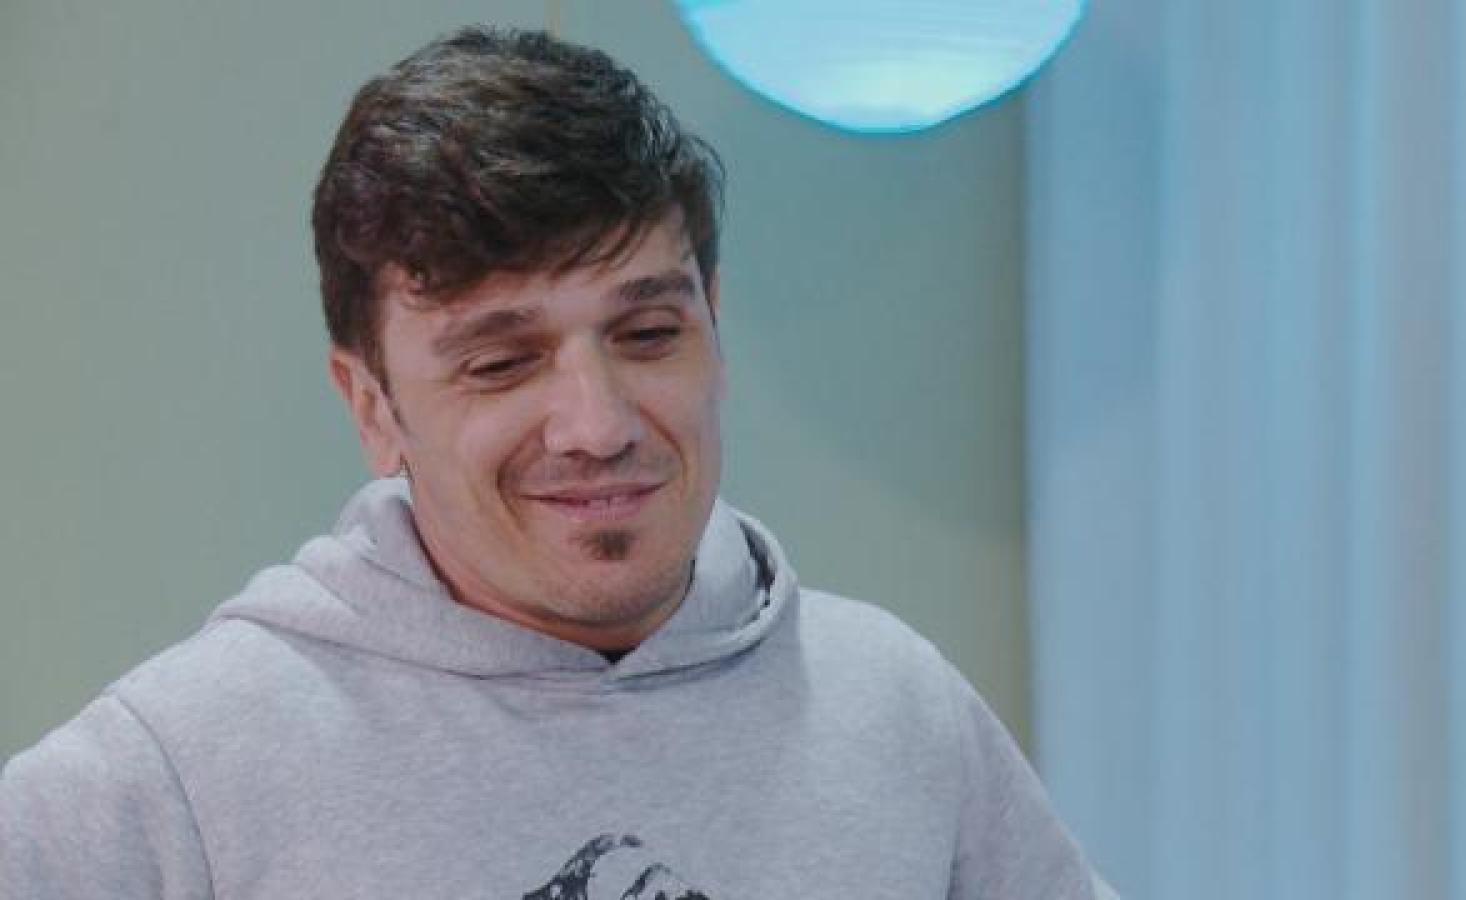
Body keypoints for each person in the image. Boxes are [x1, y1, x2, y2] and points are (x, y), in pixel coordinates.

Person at [0, 26, 1116, 899]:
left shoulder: (897, 709)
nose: (596, 423)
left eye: (647, 335)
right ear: (373, 405)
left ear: (714, 328)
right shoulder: (180, 770)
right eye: (501, 362)